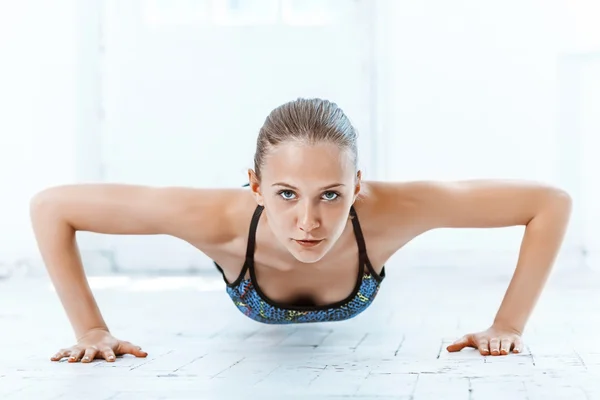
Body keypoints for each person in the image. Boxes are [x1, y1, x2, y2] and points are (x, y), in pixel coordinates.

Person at [29, 98, 572, 364]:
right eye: (286, 193)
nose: (308, 222)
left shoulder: (394, 210)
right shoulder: (216, 219)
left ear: (358, 186)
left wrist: (509, 324)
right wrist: (91, 330)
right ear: (255, 187)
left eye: (330, 195)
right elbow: (52, 207)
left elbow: (549, 203)